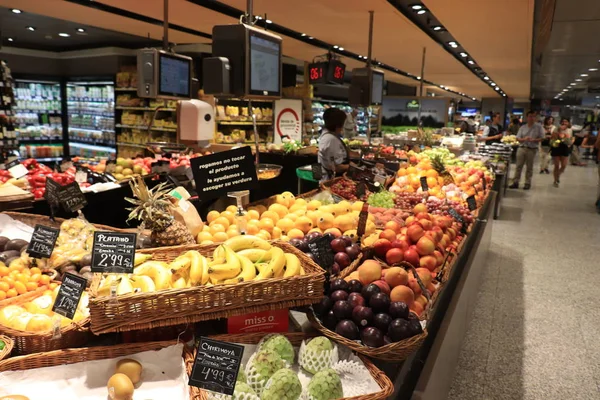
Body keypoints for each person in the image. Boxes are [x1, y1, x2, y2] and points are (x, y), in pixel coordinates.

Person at [509, 110, 545, 190]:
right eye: (530, 116)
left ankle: (527, 183)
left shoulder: (539, 127)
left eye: (533, 117)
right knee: (518, 166)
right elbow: (518, 138)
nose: (531, 118)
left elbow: (542, 138)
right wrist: (524, 139)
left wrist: (534, 140)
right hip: (522, 147)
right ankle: (516, 182)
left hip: (532, 149)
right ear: (527, 117)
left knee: (529, 167)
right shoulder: (523, 127)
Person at [318, 108, 350, 182]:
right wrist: (352, 167)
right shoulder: (331, 139)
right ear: (338, 125)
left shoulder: (326, 135)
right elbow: (337, 167)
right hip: (331, 181)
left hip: (326, 178)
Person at [550, 118, 573, 187]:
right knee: (556, 165)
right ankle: (555, 180)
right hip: (557, 147)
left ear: (568, 123)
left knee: (563, 166)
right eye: (563, 121)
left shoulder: (570, 130)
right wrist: (559, 132)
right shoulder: (556, 129)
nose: (564, 123)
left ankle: (558, 175)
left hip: (565, 147)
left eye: (566, 121)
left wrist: (569, 141)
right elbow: (553, 138)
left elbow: (571, 139)